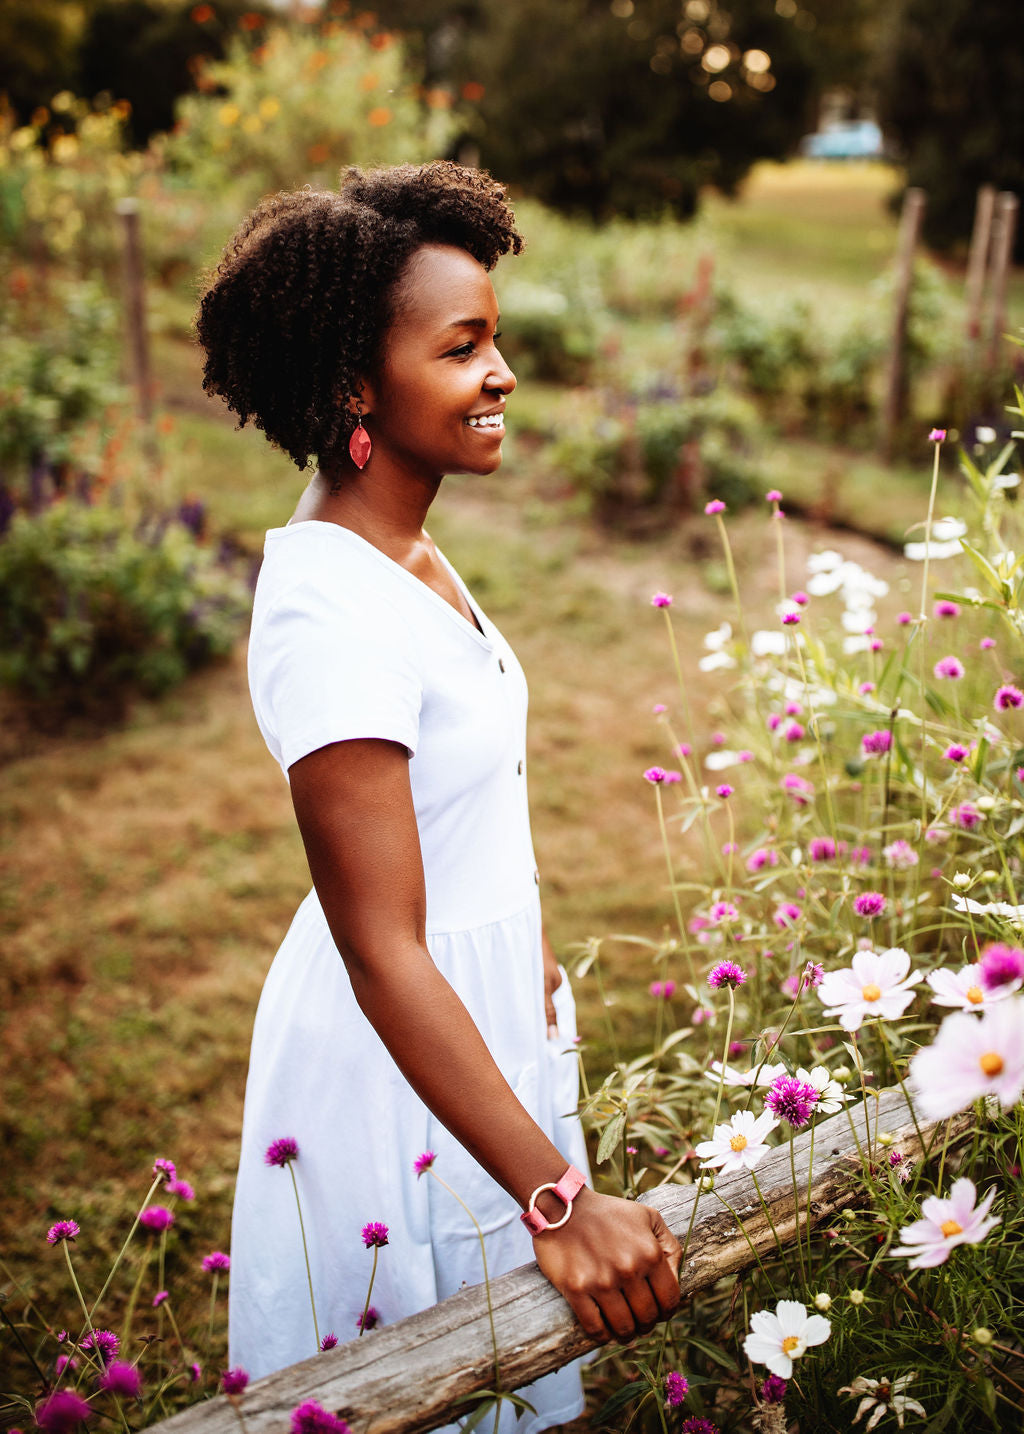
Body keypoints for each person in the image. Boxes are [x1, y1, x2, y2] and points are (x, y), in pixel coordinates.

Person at [196, 161, 681, 1429]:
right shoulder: (331, 610)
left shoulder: (402, 545)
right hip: (389, 1062)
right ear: (357, 383)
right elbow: (378, 946)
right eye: (462, 347)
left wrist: (523, 947)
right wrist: (559, 1199)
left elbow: (460, 808)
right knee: (424, 1380)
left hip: (474, 1019)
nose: (500, 372)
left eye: (497, 339)